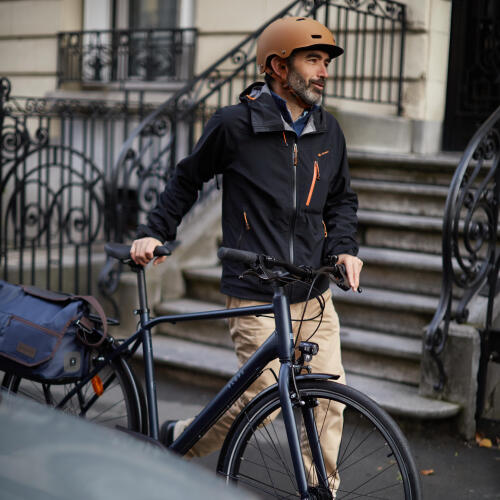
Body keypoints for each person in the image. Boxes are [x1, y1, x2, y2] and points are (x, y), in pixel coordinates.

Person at [131, 15, 362, 478]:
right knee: (263, 401)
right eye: (312, 59)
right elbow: (188, 177)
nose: (324, 71)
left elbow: (340, 199)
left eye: (325, 61)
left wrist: (343, 248)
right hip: (255, 286)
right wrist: (157, 231)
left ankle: (321, 491)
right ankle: (181, 439)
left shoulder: (328, 130)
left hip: (313, 290)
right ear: (278, 66)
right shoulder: (235, 125)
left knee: (328, 403)